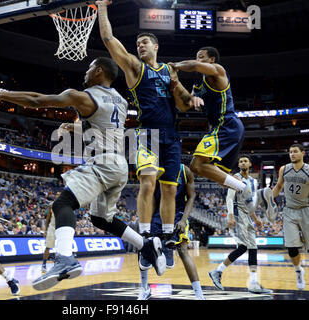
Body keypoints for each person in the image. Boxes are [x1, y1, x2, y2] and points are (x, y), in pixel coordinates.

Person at [0, 57, 166, 291]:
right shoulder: (121, 101)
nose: (86, 72)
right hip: (120, 165)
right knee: (101, 219)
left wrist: (3, 93)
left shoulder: (84, 95)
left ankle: (64, 259)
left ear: (99, 71)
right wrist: (76, 128)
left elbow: (38, 100)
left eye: (90, 67)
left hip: (102, 162)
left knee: (62, 204)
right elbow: (104, 127)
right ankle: (145, 245)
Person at [96, 0, 199, 259]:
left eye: (145, 42)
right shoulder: (135, 67)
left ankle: (164, 237)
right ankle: (143, 235)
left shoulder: (169, 70)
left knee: (170, 189)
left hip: (171, 135)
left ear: (156, 46)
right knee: (147, 181)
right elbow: (108, 38)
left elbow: (184, 104)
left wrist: (192, 98)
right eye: (138, 43)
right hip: (147, 133)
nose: (140, 45)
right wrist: (102, 7)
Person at [169, 47, 275, 215]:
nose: (198, 60)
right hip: (225, 128)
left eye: (202, 57)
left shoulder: (218, 71)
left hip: (227, 124)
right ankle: (258, 195)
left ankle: (245, 188)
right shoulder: (198, 85)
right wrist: (176, 82)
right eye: (196, 57)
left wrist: (175, 66)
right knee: (222, 178)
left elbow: (195, 66)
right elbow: (183, 106)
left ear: (212, 60)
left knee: (196, 165)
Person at [138, 164, 205, 300]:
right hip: (157, 213)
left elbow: (191, 196)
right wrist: (148, 221)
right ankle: (144, 289)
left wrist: (184, 219)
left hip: (177, 214)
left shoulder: (184, 171)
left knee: (183, 250)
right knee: (143, 245)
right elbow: (150, 197)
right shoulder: (152, 169)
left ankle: (199, 295)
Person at [208, 155, 273, 294]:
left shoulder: (253, 182)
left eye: (245, 161)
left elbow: (250, 203)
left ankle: (251, 282)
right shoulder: (235, 178)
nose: (243, 163)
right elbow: (229, 198)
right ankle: (220, 272)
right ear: (239, 165)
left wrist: (255, 219)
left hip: (247, 217)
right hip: (237, 215)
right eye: (240, 161)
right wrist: (230, 215)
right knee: (247, 247)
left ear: (250, 164)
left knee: (250, 248)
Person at [272, 143, 309, 290]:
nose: (292, 154)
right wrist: (269, 200)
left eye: (295, 152)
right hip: (289, 210)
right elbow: (279, 186)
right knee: (292, 247)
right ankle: (298, 270)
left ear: (303, 153)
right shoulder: (284, 169)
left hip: (306, 209)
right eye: (290, 152)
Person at [41, 203, 56, 273]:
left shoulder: (65, 204)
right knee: (48, 247)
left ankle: (59, 263)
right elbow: (47, 219)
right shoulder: (52, 205)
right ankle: (44, 265)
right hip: (52, 228)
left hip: (61, 228)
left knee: (62, 248)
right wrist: (45, 230)